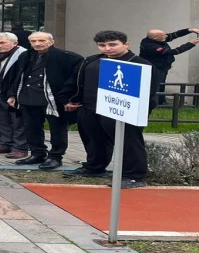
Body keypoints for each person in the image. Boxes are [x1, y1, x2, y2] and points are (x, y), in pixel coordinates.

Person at [62, 30, 160, 188]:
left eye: (112, 44)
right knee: (94, 139)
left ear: (126, 44)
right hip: (90, 107)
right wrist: (72, 99)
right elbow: (79, 81)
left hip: (123, 110)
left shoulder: (140, 64)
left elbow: (149, 92)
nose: (107, 48)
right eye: (102, 45)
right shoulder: (93, 60)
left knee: (128, 142)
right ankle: (94, 167)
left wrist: (138, 112)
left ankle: (134, 176)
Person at [6, 32, 84, 170]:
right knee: (31, 128)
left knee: (57, 129)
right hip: (27, 97)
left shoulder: (68, 57)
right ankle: (37, 153)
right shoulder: (25, 56)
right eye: (34, 41)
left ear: (51, 42)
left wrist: (70, 99)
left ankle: (55, 157)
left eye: (42, 40)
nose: (37, 43)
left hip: (53, 98)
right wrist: (12, 95)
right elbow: (17, 76)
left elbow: (75, 80)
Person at [139, 27, 199, 105]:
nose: (165, 36)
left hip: (163, 67)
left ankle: (161, 101)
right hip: (155, 68)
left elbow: (174, 35)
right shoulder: (150, 45)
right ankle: (157, 102)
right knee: (157, 85)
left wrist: (188, 30)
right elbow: (173, 52)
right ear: (155, 37)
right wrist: (190, 44)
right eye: (162, 35)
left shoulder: (158, 39)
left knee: (161, 83)